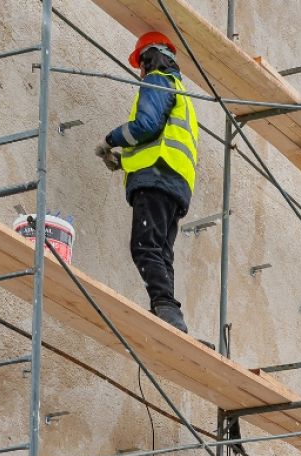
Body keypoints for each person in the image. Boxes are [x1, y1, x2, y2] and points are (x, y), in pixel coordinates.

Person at [96, 31, 199, 334]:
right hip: (174, 182)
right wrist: (123, 161)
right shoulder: (180, 92)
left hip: (156, 177)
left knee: (144, 246)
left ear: (150, 59)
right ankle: (165, 311)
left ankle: (166, 307)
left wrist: (110, 139)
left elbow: (146, 126)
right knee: (160, 251)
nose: (140, 70)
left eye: (141, 62)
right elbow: (162, 137)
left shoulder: (157, 81)